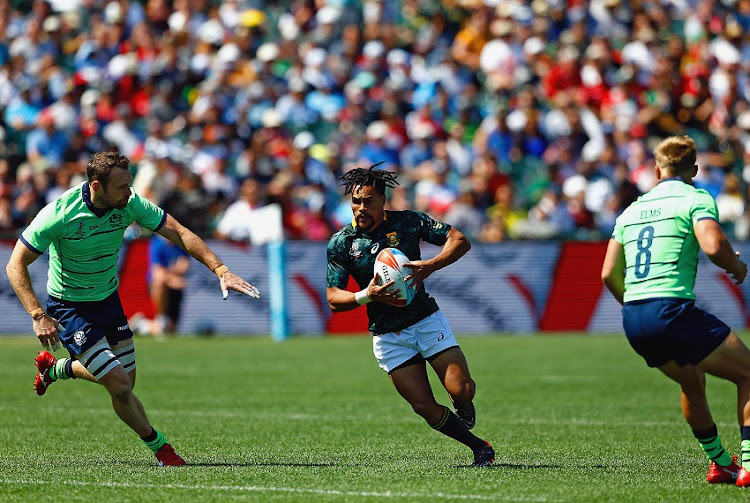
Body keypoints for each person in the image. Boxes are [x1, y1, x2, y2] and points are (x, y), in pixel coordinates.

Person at [5, 151, 260, 466]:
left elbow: (178, 232)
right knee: (121, 387)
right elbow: (16, 264)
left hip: (108, 302)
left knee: (125, 380)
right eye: (122, 186)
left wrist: (221, 270)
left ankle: (56, 369)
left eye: (129, 184)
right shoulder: (58, 214)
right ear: (97, 186)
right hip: (69, 308)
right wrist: (38, 314)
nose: (130, 192)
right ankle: (162, 448)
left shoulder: (130, 204)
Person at [601, 135, 750, 486]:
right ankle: (747, 464)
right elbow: (713, 245)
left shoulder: (632, 210)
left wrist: (635, 304)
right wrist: (737, 267)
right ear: (694, 170)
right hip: (671, 309)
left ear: (656, 170)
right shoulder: (696, 197)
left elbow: (608, 272)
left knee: (692, 381)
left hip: (635, 317)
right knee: (748, 374)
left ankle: (720, 464)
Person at [325, 163, 494, 467]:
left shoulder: (408, 223)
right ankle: (480, 448)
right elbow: (333, 298)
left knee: (462, 389)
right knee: (423, 405)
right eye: (355, 201)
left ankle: (462, 402)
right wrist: (367, 295)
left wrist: (431, 264)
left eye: (368, 201)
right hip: (388, 335)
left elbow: (459, 240)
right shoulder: (342, 243)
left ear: (383, 200)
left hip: (424, 320)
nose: (360, 208)